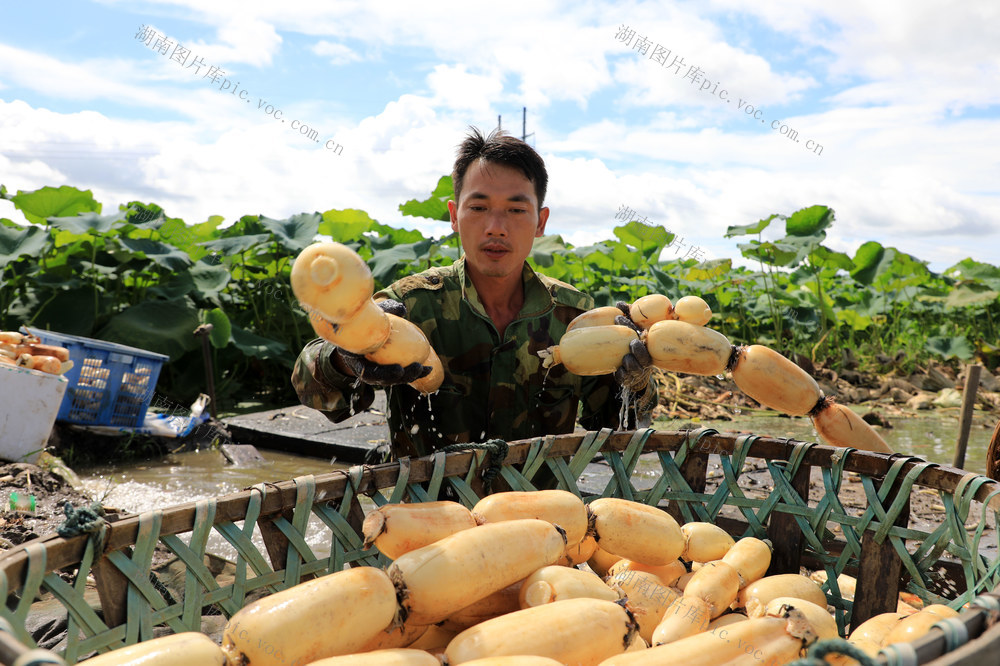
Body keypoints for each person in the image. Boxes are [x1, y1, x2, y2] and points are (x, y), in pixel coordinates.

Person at [293, 127, 658, 460]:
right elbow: (311, 389)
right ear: (455, 215)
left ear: (541, 221)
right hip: (427, 507)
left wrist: (635, 383)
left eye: (516, 209)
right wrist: (345, 358)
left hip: (540, 508)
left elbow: (618, 426)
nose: (496, 228)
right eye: (479, 208)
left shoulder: (575, 316)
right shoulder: (410, 305)